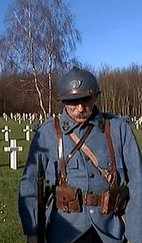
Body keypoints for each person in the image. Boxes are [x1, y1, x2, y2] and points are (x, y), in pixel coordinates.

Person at [19, 67, 142, 243]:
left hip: (109, 231)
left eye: (86, 100)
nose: (80, 108)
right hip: (64, 231)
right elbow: (29, 183)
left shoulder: (118, 129)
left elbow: (138, 183)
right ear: (62, 101)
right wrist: (32, 231)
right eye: (72, 102)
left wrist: (136, 237)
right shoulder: (47, 133)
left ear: (96, 97)